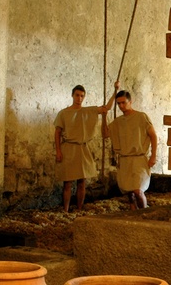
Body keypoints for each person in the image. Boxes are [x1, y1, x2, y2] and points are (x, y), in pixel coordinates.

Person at [54, 84, 117, 212]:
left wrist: (115, 91)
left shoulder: (88, 111)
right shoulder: (64, 113)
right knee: (67, 182)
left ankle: (79, 208)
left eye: (82, 96)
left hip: (82, 148)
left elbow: (107, 108)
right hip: (68, 148)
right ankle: (65, 210)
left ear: (84, 97)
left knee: (82, 181)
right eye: (77, 95)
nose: (79, 98)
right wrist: (58, 151)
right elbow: (57, 132)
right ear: (72, 95)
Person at [104, 88, 158, 209]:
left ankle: (144, 213)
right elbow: (105, 134)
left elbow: (153, 136)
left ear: (130, 101)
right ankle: (133, 215)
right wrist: (104, 116)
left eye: (124, 102)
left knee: (138, 190)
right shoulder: (118, 122)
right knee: (129, 192)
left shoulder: (141, 117)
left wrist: (153, 156)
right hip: (125, 159)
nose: (121, 106)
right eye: (119, 103)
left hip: (139, 159)